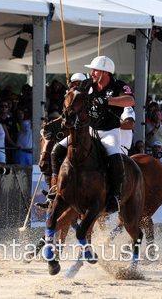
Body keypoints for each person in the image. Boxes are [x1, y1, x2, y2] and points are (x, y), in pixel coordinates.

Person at [50, 56, 135, 212]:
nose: (92, 73)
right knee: (56, 150)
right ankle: (56, 187)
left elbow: (130, 100)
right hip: (88, 131)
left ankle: (114, 197)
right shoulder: (88, 84)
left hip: (109, 132)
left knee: (115, 159)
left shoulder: (119, 85)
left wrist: (107, 101)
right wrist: (70, 93)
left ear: (105, 72)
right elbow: (74, 96)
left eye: (95, 70)